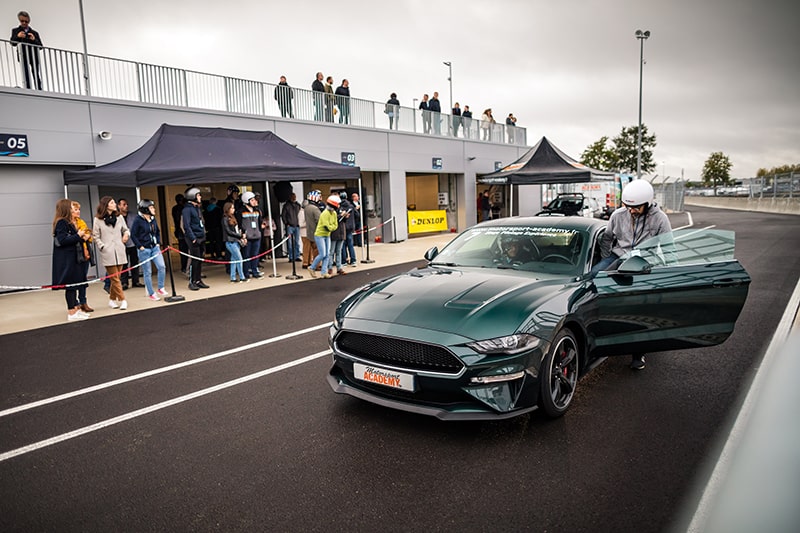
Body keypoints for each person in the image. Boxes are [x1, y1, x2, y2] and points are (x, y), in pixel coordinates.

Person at [593, 179, 673, 370]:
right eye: (628, 206)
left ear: (647, 203)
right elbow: (607, 239)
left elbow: (669, 247)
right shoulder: (617, 215)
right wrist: (607, 259)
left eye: (636, 207)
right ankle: (598, 326)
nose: (631, 210)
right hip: (619, 255)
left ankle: (638, 352)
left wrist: (672, 271)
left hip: (645, 259)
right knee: (594, 278)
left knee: (640, 303)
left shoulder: (660, 218)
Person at [51, 199, 91, 321]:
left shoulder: (68, 222)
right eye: (70, 207)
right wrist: (78, 235)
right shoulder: (61, 222)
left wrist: (82, 237)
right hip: (66, 259)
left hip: (73, 258)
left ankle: (76, 309)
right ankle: (71, 312)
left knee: (74, 285)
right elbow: (62, 240)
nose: (73, 210)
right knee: (70, 286)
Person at [92, 196, 130, 310]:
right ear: (106, 205)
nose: (115, 204)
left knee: (116, 276)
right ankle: (123, 299)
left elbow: (126, 229)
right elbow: (95, 236)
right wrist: (102, 246)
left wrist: (126, 235)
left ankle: (112, 299)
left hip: (120, 250)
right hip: (108, 252)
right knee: (115, 278)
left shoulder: (119, 218)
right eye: (112, 202)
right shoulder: (97, 220)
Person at [130, 199, 168, 301]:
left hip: (154, 248)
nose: (154, 209)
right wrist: (139, 246)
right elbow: (133, 234)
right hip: (144, 249)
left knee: (162, 266)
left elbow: (157, 232)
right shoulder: (138, 220)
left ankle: (161, 287)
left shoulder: (153, 219)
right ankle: (151, 293)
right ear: (145, 209)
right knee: (147, 272)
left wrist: (158, 243)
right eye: (151, 207)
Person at [70, 200, 95, 314]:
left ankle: (83, 301)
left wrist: (88, 235)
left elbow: (89, 235)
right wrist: (80, 236)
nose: (78, 211)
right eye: (75, 210)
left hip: (84, 254)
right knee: (75, 280)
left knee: (83, 279)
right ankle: (75, 303)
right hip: (74, 254)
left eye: (79, 209)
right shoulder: (68, 224)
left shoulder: (81, 222)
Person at [182, 187, 209, 290]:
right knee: (195, 260)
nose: (200, 197)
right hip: (193, 238)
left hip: (201, 236)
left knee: (200, 259)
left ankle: (198, 280)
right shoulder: (187, 209)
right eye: (198, 195)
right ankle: (192, 281)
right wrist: (193, 238)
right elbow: (186, 226)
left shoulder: (197, 208)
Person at [308, 195, 340, 279]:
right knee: (323, 254)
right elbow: (328, 226)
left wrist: (331, 227)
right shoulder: (325, 213)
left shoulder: (334, 213)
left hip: (327, 235)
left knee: (327, 254)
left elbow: (335, 225)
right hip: (320, 235)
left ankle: (324, 272)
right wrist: (332, 227)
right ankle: (312, 268)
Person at [10, 11, 43, 90]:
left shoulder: (34, 33)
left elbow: (41, 46)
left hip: (33, 55)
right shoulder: (15, 31)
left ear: (29, 21)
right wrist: (18, 36)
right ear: (19, 20)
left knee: (35, 73)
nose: (24, 23)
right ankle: (28, 89)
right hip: (23, 55)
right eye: (22, 21)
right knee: (26, 74)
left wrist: (34, 39)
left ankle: (39, 89)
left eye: (26, 21)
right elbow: (12, 42)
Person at [237, 191, 265, 279]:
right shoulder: (241, 211)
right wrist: (242, 235)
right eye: (252, 200)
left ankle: (255, 271)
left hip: (257, 235)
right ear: (246, 201)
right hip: (247, 237)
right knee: (246, 255)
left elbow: (260, 222)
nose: (254, 202)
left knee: (255, 255)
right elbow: (239, 224)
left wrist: (261, 227)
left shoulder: (257, 210)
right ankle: (246, 272)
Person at [118, 198, 143, 289]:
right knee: (124, 264)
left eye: (127, 204)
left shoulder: (134, 216)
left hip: (133, 243)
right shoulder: (116, 217)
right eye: (124, 204)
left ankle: (135, 281)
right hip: (121, 244)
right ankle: (124, 282)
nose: (126, 206)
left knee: (134, 262)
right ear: (119, 206)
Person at [221, 201, 247, 283]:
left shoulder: (232, 217)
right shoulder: (225, 219)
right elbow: (228, 231)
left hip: (235, 241)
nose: (233, 209)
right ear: (227, 209)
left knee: (234, 260)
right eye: (232, 208)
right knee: (239, 259)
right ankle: (241, 276)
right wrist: (240, 236)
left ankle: (233, 277)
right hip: (230, 241)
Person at [302, 190, 321, 269]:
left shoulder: (306, 208)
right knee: (317, 250)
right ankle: (317, 265)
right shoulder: (315, 209)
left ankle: (310, 263)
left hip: (309, 231)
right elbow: (319, 220)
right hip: (316, 231)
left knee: (310, 249)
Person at [281, 192, 302, 262]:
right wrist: (286, 223)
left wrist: (300, 223)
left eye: (294, 196)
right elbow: (283, 215)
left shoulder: (298, 205)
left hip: (297, 226)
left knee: (297, 242)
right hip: (290, 226)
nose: (294, 198)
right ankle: (291, 257)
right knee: (289, 243)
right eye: (292, 196)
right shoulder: (286, 205)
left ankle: (297, 256)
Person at [171, 194, 188, 274]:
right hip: (182, 232)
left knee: (183, 251)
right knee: (186, 250)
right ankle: (185, 267)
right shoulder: (183, 208)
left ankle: (184, 266)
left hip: (178, 231)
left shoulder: (174, 208)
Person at [339, 191, 357, 266]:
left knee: (342, 244)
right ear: (346, 197)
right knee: (350, 244)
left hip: (343, 227)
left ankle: (344, 261)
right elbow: (357, 215)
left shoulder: (339, 207)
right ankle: (353, 260)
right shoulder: (351, 206)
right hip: (350, 227)